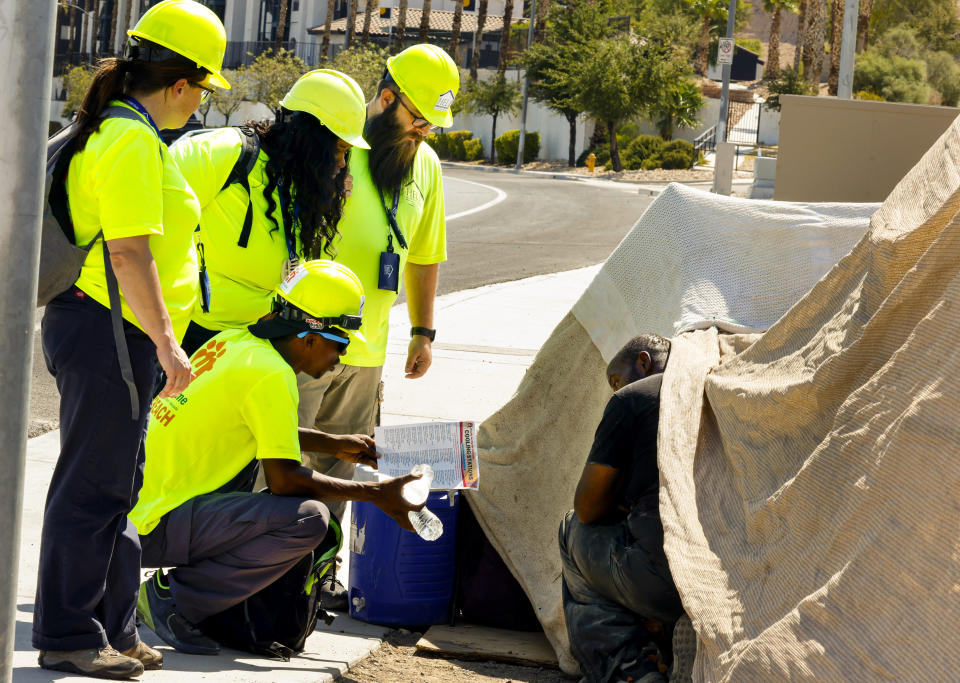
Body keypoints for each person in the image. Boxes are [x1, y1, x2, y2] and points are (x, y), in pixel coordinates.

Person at [33, 1, 230, 679]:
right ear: (180, 85)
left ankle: (111, 626)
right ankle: (67, 632)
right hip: (105, 328)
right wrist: (170, 342)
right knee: (92, 485)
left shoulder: (129, 133)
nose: (202, 102)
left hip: (113, 332)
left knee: (119, 482)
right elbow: (128, 254)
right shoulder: (132, 142)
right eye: (204, 88)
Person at [130, 260, 424, 655]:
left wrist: (334, 444)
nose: (341, 358)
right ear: (309, 337)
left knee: (284, 508)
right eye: (340, 345)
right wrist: (376, 494)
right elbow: (285, 479)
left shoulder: (235, 342)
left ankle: (192, 597)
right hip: (158, 524)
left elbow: (252, 426)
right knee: (307, 520)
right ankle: (173, 596)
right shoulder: (272, 374)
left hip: (141, 512)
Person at [297, 43, 460, 514]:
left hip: (366, 352)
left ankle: (318, 579)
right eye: (419, 119)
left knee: (340, 474)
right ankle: (269, 584)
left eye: (432, 125)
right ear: (387, 99)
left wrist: (422, 333)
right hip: (304, 341)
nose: (424, 133)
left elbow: (424, 256)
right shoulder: (336, 145)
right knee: (282, 468)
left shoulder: (425, 164)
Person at [169, 68, 369, 357]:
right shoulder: (225, 151)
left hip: (258, 341)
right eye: (337, 149)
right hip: (191, 338)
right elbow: (150, 221)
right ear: (310, 137)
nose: (341, 162)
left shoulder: (303, 182)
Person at [558, 334, 686, 683]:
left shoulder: (632, 400)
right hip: (722, 577)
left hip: (663, 578)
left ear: (643, 362)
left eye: (616, 379)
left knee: (571, 528)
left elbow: (587, 508)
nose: (614, 389)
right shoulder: (714, 385)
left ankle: (627, 667)